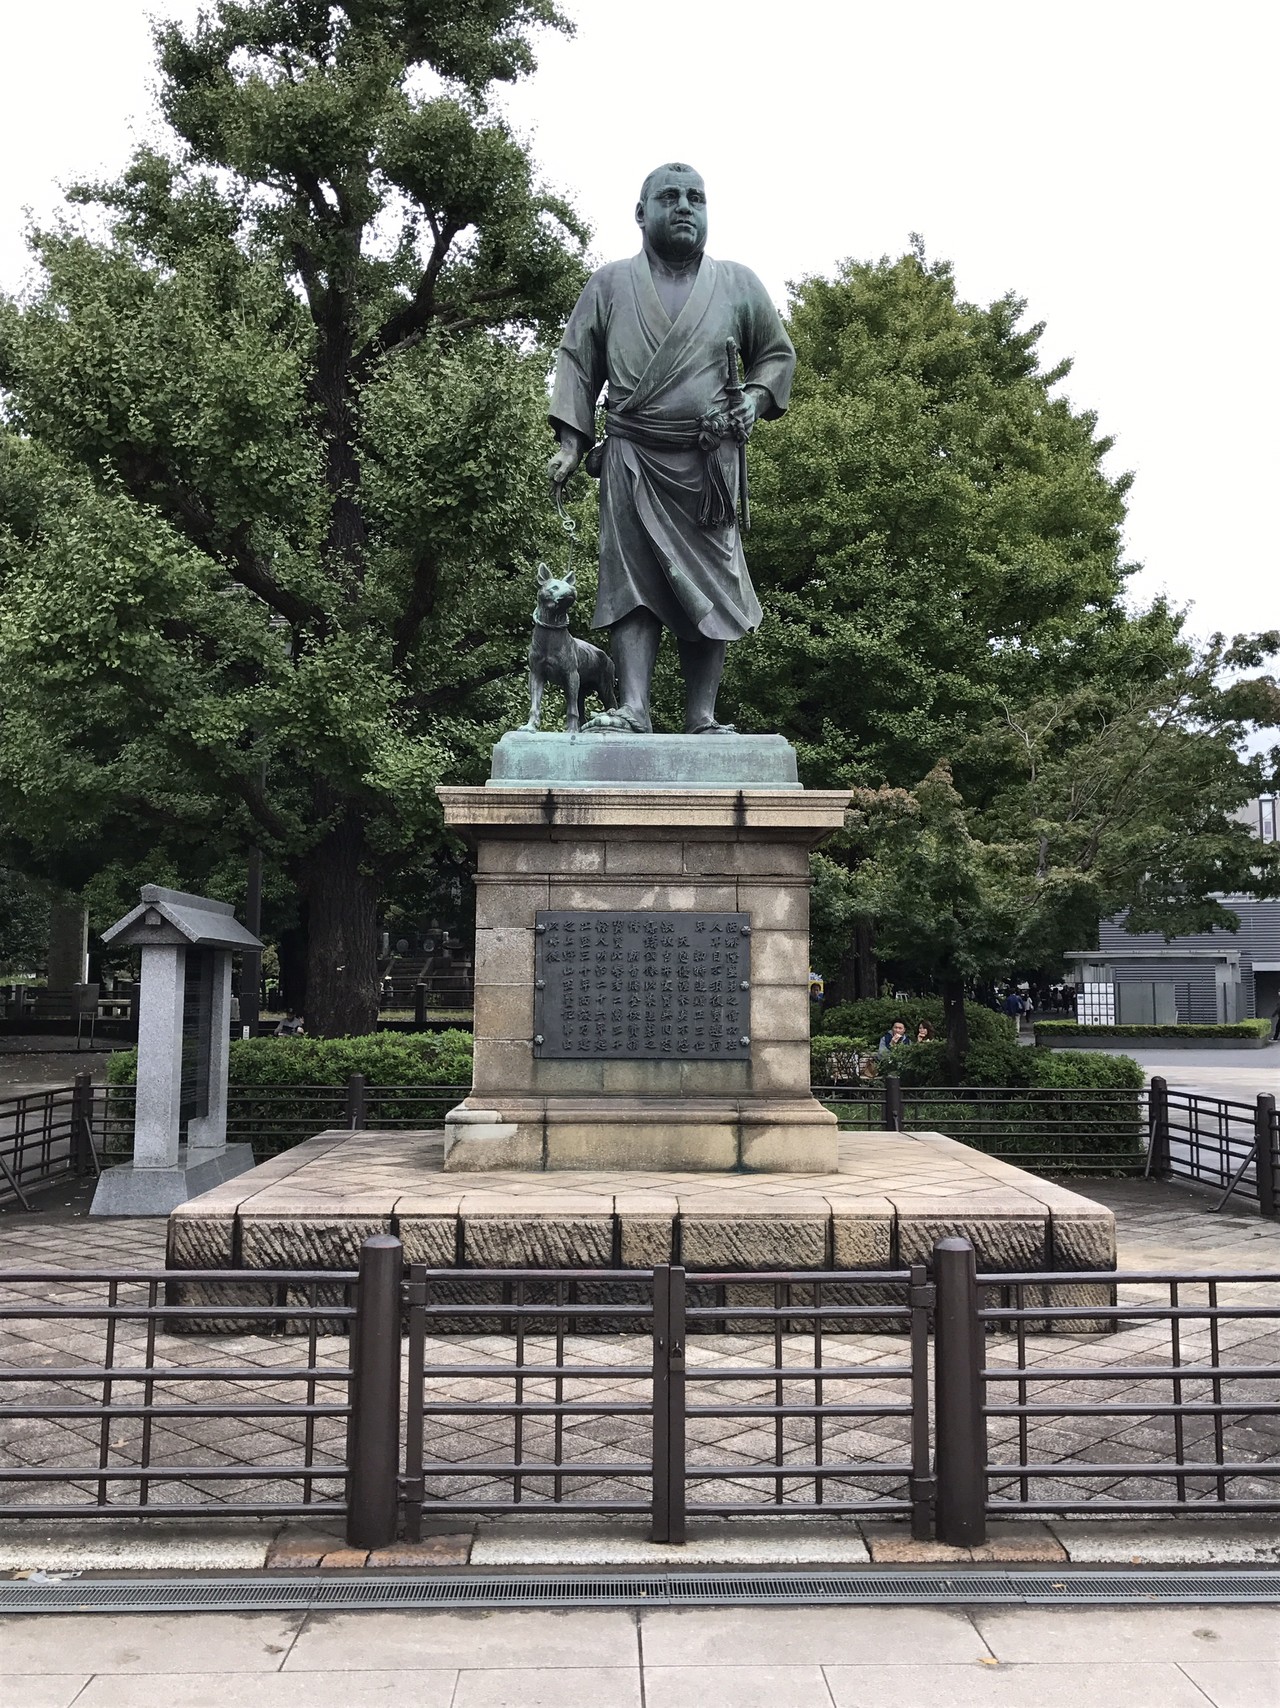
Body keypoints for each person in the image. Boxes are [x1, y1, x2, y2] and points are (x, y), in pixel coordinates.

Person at [547, 162, 796, 735]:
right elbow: (577, 361)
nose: (685, 206)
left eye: (696, 198)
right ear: (641, 213)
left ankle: (701, 716)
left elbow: (777, 356)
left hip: (709, 462)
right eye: (670, 197)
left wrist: (752, 402)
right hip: (632, 454)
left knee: (714, 581)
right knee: (631, 579)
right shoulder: (609, 284)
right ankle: (633, 707)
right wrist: (570, 440)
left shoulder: (738, 283)